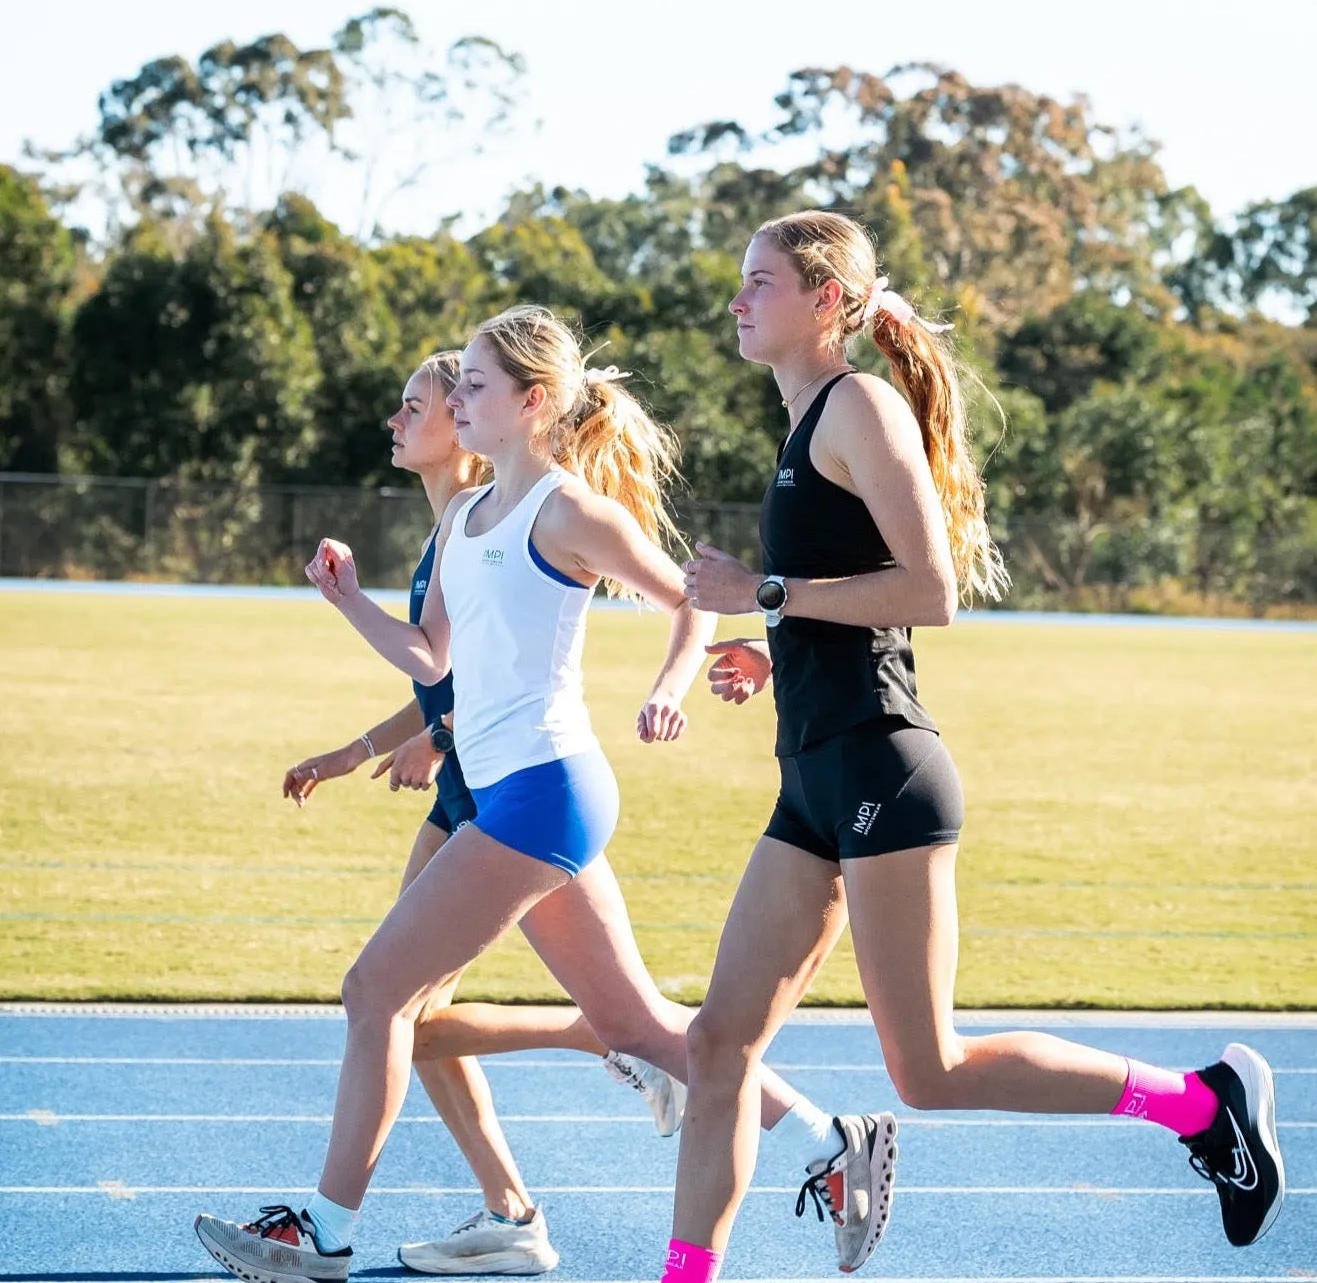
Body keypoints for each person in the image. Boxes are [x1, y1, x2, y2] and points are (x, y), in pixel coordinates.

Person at [194, 306, 886, 1283]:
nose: (459, 398)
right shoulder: (462, 518)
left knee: (375, 991)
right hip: (523, 798)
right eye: (460, 385)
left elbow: (689, 601)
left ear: (534, 403)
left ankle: (325, 1234)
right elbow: (431, 656)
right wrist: (347, 603)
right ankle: (830, 1139)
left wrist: (666, 687)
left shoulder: (566, 511)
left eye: (474, 385)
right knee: (638, 1028)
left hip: (541, 794)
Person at [665, 209, 1286, 1282]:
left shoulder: (858, 405)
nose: (737, 299)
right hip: (812, 779)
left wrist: (762, 591)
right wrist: (779, 640)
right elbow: (855, 590)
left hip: (881, 770)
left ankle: (1198, 1105)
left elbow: (930, 591)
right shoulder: (810, 415)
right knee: (719, 1046)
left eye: (759, 281)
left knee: (930, 1069)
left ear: (826, 302)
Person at [269, 350, 683, 1277]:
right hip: (485, 793)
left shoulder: (512, 517)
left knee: (392, 1002)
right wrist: (361, 749)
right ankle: (513, 1207)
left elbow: (479, 683)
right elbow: (442, 672)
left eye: (428, 400)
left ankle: (603, 1048)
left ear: (477, 421)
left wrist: (438, 735)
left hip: (512, 793)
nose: (405, 416)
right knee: (406, 1012)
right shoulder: (456, 527)